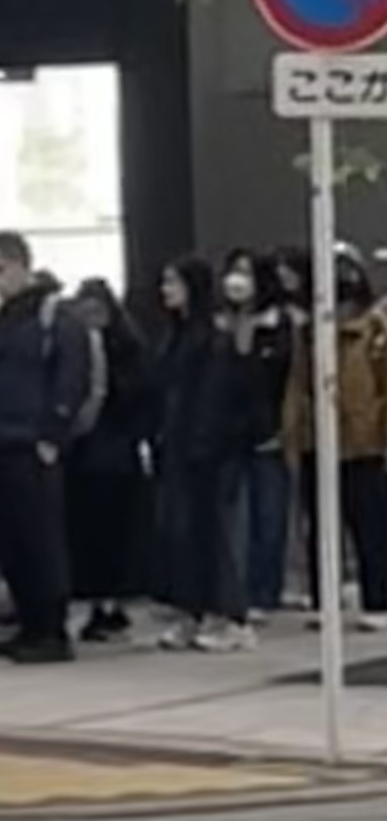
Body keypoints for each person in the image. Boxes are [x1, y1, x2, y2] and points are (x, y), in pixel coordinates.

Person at [0, 231, 90, 665]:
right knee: (11, 538)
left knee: (40, 537)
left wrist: (52, 434)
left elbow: (72, 376)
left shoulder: (53, 315)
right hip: (0, 439)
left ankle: (51, 628)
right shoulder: (4, 319)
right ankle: (29, 623)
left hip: (31, 441)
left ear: (22, 265)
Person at [148, 255, 247, 649]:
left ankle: (227, 615)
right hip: (175, 446)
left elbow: (214, 397)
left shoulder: (213, 339)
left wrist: (203, 444)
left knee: (209, 531)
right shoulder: (174, 336)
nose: (165, 291)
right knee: (179, 534)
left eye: (173, 282)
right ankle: (191, 610)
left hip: (205, 450)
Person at [288, 251, 387, 626]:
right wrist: (295, 429)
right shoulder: (308, 333)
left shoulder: (373, 330)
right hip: (319, 441)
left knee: (369, 525)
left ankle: (378, 599)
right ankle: (324, 598)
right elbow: (298, 383)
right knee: (320, 526)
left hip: (363, 443)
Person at [64, 276, 153, 642]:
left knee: (111, 533)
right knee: (92, 534)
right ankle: (99, 602)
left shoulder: (124, 351)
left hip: (109, 453)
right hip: (93, 454)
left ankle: (110, 604)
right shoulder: (90, 347)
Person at [224, 249, 303, 617]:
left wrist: (284, 427)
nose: (237, 281)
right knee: (235, 519)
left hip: (271, 433)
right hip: (231, 434)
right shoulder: (221, 325)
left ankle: (264, 591)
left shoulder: (281, 324)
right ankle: (236, 591)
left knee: (270, 517)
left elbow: (287, 378)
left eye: (246, 272)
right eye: (233, 271)